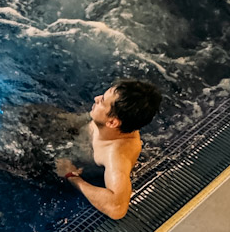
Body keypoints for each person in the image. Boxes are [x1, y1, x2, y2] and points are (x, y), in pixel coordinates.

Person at [55, 79, 162, 220]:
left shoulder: (116, 154)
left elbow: (117, 208)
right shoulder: (109, 121)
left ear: (112, 122)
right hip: (73, 141)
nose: (96, 98)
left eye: (102, 101)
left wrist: (71, 176)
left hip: (75, 164)